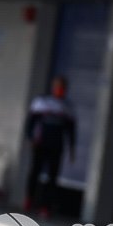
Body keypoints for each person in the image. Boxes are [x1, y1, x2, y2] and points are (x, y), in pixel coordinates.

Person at [24, 74, 77, 217]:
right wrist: (30, 138)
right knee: (35, 172)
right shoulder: (41, 102)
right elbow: (31, 123)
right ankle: (29, 200)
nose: (59, 89)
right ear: (53, 87)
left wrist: (72, 149)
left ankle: (45, 206)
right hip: (41, 143)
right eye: (57, 86)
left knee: (52, 177)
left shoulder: (67, 107)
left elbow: (71, 130)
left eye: (62, 87)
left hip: (56, 146)